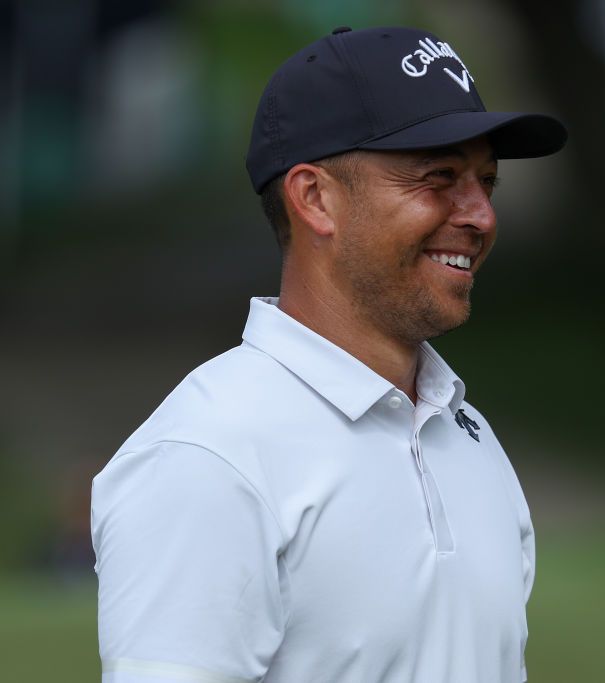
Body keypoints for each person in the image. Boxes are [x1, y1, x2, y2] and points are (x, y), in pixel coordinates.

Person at [90, 25, 567, 683]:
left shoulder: (470, 438)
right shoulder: (208, 457)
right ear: (315, 198)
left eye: (487, 181)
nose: (480, 214)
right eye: (439, 177)